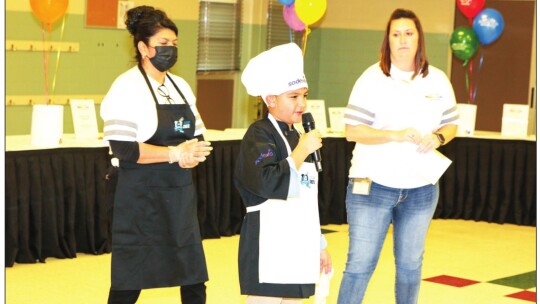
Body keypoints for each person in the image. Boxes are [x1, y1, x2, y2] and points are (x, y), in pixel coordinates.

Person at [337, 8, 459, 304]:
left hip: (421, 190)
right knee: (360, 265)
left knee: (410, 266)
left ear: (419, 39)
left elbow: (452, 124)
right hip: (372, 185)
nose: (402, 40)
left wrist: (438, 136)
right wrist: (394, 134)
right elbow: (352, 131)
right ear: (387, 40)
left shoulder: (438, 79)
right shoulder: (372, 78)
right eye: (396, 34)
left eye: (409, 33)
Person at [100, 6, 212, 304]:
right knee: (130, 277)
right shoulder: (126, 87)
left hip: (178, 192)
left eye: (174, 44)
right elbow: (125, 149)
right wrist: (175, 153)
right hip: (138, 193)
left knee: (193, 274)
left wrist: (194, 154)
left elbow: (198, 137)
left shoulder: (181, 86)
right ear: (142, 47)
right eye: (163, 44)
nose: (170, 50)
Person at [234, 43, 332, 304]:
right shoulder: (259, 134)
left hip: (299, 243)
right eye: (293, 96)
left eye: (304, 95)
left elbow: (308, 199)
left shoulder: (298, 135)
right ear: (271, 99)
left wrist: (319, 243)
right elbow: (266, 181)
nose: (302, 103)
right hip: (270, 243)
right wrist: (301, 151)